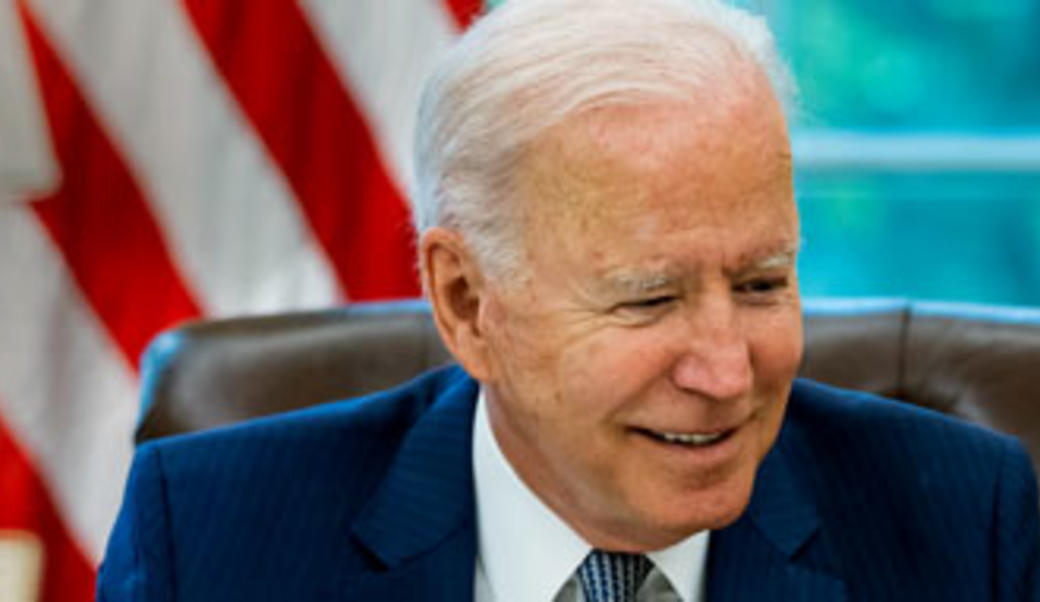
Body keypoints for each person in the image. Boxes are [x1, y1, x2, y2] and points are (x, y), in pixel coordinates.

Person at [98, 0, 1039, 600]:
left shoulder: (967, 527)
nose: (726, 372)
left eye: (761, 284)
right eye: (648, 300)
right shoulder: (212, 537)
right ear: (467, 304)